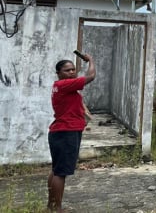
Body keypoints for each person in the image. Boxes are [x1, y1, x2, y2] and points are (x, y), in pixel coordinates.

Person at [48, 53, 96, 212]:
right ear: (59, 73)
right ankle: (57, 208)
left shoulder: (61, 86)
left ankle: (52, 206)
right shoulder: (65, 85)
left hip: (62, 131)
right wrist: (90, 60)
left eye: (73, 69)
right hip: (66, 132)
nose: (72, 72)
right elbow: (91, 76)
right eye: (67, 70)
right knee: (60, 173)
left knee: (56, 170)